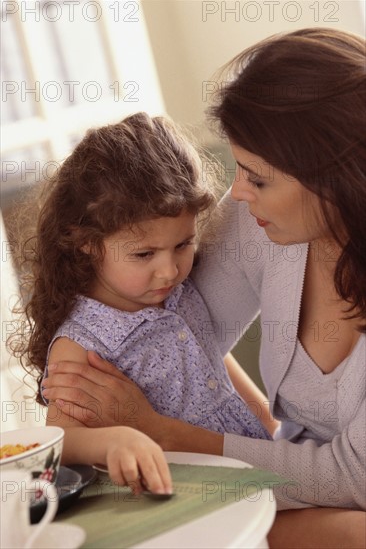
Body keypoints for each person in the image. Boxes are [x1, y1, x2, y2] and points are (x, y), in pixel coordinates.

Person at [40, 28, 366, 547]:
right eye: (239, 170)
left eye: (258, 178)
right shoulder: (259, 223)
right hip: (247, 487)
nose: (236, 193)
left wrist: (161, 431)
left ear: (336, 179)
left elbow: (354, 478)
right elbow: (189, 330)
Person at [13, 112, 272, 492]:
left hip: (253, 461)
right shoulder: (82, 342)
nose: (169, 271)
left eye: (183, 244)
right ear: (86, 242)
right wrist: (116, 439)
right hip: (195, 492)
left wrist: (267, 419)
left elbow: (208, 356)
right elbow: (59, 437)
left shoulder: (175, 295)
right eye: (144, 255)